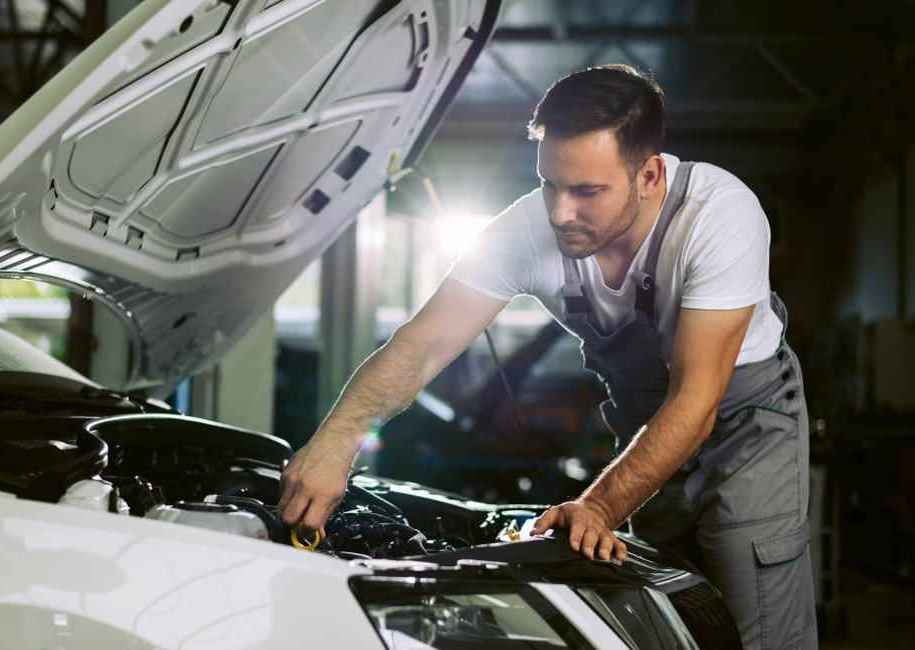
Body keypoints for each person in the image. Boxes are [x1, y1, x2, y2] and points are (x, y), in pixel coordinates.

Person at [277, 64, 817, 650]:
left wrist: (598, 505)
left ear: (650, 176)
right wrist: (336, 438)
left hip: (743, 424)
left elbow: (696, 401)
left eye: (587, 191)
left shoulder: (719, 217)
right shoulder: (525, 228)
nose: (561, 213)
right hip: (645, 429)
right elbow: (421, 343)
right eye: (550, 185)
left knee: (752, 620)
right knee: (666, 617)